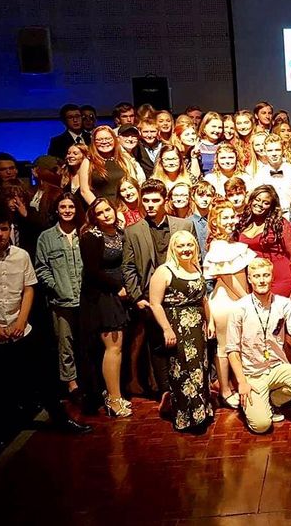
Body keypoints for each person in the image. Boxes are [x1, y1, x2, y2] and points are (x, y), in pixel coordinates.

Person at [0, 212, 91, 436]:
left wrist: (21, 321)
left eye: (4, 229)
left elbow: (29, 288)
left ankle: (61, 420)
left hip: (20, 327)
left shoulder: (21, 255)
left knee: (43, 377)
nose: (0, 234)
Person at [121, 179, 194, 402]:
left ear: (165, 200)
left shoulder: (183, 225)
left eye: (155, 200)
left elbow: (195, 259)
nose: (150, 205)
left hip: (182, 296)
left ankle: (186, 389)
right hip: (151, 299)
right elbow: (128, 267)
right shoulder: (133, 231)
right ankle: (165, 393)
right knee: (158, 345)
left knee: (184, 344)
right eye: (146, 200)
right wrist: (136, 297)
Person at [226, 258, 291, 433]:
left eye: (265, 275)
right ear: (249, 279)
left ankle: (273, 400)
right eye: (257, 276)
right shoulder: (239, 308)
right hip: (252, 375)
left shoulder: (284, 304)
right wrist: (242, 382)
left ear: (272, 277)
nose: (261, 280)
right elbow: (232, 349)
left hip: (277, 367)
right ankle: (256, 404)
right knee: (262, 426)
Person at [147, 231, 213, 432]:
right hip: (178, 327)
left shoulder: (196, 267)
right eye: (181, 246)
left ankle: (201, 412)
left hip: (198, 328)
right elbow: (155, 303)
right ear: (173, 248)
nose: (186, 249)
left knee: (200, 369)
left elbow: (203, 299)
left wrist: (210, 322)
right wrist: (167, 329)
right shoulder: (164, 271)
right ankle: (186, 417)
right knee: (183, 371)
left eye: (189, 245)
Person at [78, 198, 131, 416]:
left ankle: (116, 394)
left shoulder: (120, 232)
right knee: (113, 347)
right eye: (99, 213)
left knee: (119, 347)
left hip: (119, 295)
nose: (105, 215)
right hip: (102, 296)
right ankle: (114, 400)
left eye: (108, 210)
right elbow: (92, 271)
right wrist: (116, 286)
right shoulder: (91, 236)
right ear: (94, 217)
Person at [203, 200, 255, 408]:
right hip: (226, 301)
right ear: (215, 221)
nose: (230, 221)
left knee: (236, 346)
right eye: (225, 217)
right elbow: (227, 277)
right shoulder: (218, 246)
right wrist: (247, 300)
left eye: (232, 216)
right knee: (224, 347)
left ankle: (235, 385)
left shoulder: (233, 243)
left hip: (237, 299)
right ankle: (225, 390)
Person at [34, 192, 84, 401]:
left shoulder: (84, 232)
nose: (67, 211)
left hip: (86, 299)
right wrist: (56, 287)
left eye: (71, 207)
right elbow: (41, 268)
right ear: (57, 209)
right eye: (63, 207)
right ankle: (72, 384)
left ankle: (90, 381)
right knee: (65, 343)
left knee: (87, 342)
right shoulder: (46, 237)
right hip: (61, 300)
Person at [236, 184, 291, 303]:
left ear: (271, 206)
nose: (260, 204)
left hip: (280, 279)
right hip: (255, 280)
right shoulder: (244, 222)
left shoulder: (280, 223)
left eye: (266, 203)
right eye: (257, 200)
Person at [79, 126, 138, 206]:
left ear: (115, 139)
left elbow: (133, 185)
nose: (104, 142)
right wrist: (100, 207)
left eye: (108, 138)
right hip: (101, 208)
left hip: (124, 207)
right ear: (94, 142)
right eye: (99, 139)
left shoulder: (123, 159)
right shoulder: (88, 162)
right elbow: (84, 191)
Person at [253, 136, 291, 209]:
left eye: (277, 150)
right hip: (270, 214)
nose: (274, 154)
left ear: (283, 150)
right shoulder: (260, 175)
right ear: (265, 151)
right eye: (270, 150)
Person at [188, 180, 215, 259]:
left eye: (208, 195)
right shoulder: (187, 222)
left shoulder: (216, 222)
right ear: (193, 197)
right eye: (200, 195)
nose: (205, 199)